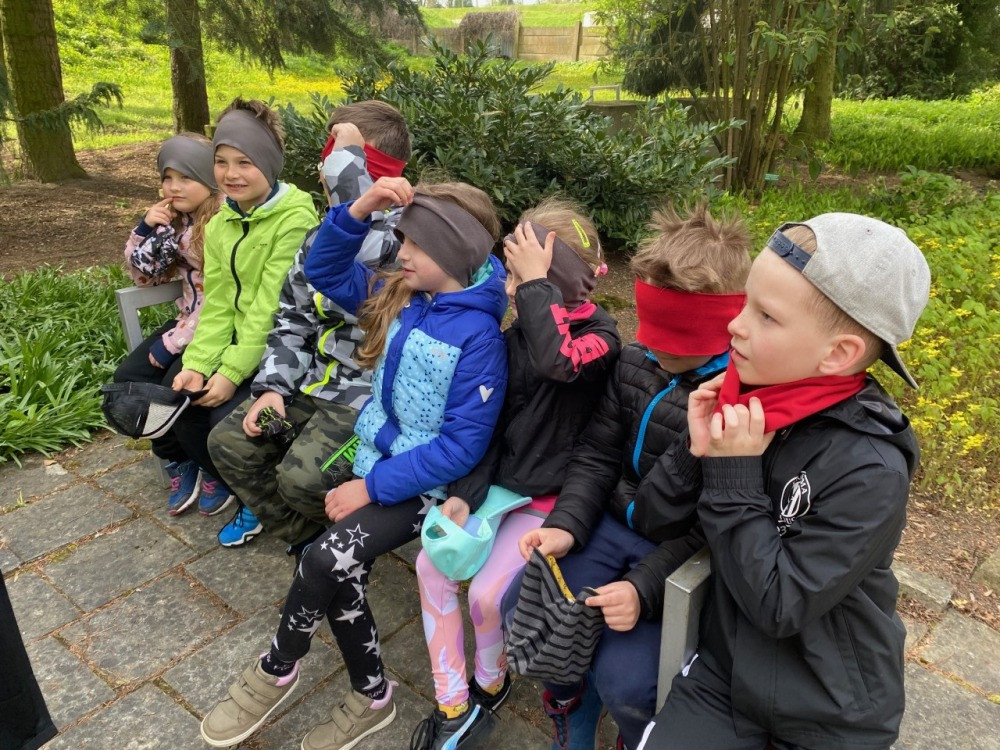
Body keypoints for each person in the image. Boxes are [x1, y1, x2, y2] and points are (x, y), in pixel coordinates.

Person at [199, 177, 508, 750]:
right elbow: (323, 268)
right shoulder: (404, 295)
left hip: (426, 487)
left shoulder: (479, 337)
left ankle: (279, 665)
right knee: (342, 578)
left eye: (415, 243)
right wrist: (358, 209)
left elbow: (460, 448)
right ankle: (372, 695)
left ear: (455, 252)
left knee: (323, 558)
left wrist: (371, 488)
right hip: (376, 458)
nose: (402, 252)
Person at [637, 214, 930, 750]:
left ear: (838, 354)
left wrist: (732, 473)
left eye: (766, 315)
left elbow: (780, 605)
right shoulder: (746, 404)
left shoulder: (871, 468)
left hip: (831, 707)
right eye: (746, 303)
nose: (735, 325)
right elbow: (654, 521)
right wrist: (695, 453)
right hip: (727, 677)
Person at [510, 204, 752, 750]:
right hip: (608, 520)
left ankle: (631, 732)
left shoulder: (737, 405)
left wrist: (643, 590)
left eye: (671, 338)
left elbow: (714, 524)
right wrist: (566, 524)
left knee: (628, 681)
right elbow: (597, 451)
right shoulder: (638, 360)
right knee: (528, 609)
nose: (649, 344)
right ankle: (570, 702)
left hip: (675, 553)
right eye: (647, 328)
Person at [411, 198, 622, 750]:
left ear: (555, 280)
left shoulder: (602, 338)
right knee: (431, 564)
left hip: (552, 499)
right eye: (510, 275)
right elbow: (493, 423)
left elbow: (561, 362)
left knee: (485, 597)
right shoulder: (516, 336)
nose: (508, 288)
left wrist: (535, 288)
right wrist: (465, 494)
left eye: (519, 276)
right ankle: (452, 698)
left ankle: (491, 680)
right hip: (502, 485)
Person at [207, 100, 411, 555]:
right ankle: (312, 541)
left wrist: (348, 176)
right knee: (230, 444)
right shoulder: (319, 235)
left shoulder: (406, 235)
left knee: (303, 480)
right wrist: (273, 387)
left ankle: (354, 541)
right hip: (312, 382)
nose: (324, 168)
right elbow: (293, 316)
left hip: (369, 394)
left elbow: (360, 260)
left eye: (337, 157)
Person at [165, 98, 318, 546]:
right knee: (183, 407)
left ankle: (261, 497)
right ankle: (241, 488)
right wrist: (198, 363)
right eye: (222, 162)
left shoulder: (295, 219)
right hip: (239, 342)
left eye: (245, 162)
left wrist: (230, 372)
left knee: (223, 421)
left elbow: (271, 307)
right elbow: (217, 304)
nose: (231, 174)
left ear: (269, 164)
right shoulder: (221, 223)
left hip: (286, 347)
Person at [111, 133, 223, 516]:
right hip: (186, 322)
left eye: (185, 177)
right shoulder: (175, 223)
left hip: (214, 327)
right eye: (167, 178)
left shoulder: (221, 221)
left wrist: (172, 344)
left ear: (208, 178)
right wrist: (144, 229)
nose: (173, 187)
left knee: (172, 387)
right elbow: (146, 277)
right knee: (129, 379)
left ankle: (214, 469)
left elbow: (223, 297)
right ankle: (179, 459)